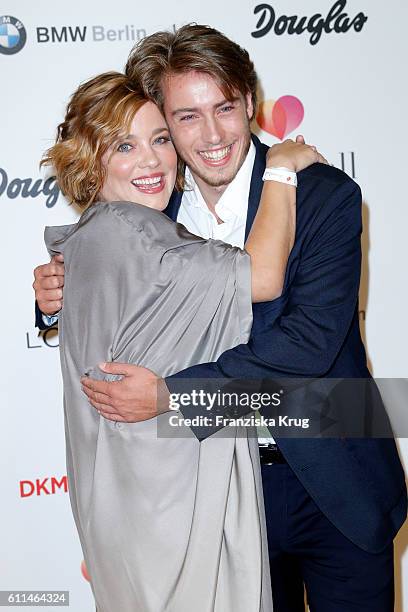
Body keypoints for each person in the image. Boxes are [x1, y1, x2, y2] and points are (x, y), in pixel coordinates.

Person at [34, 25, 407, 612]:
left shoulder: (323, 196)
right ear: (163, 120)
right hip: (224, 492)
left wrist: (175, 399)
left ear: (250, 103)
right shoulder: (153, 200)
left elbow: (306, 346)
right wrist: (54, 294)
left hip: (336, 480)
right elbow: (112, 278)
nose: (211, 135)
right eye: (185, 117)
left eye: (225, 109)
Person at [40, 70, 322, 612]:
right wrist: (282, 170)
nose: (151, 161)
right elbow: (263, 277)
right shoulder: (144, 238)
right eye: (125, 146)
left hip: (121, 503)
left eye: (160, 139)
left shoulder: (85, 239)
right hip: (173, 509)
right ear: (91, 160)